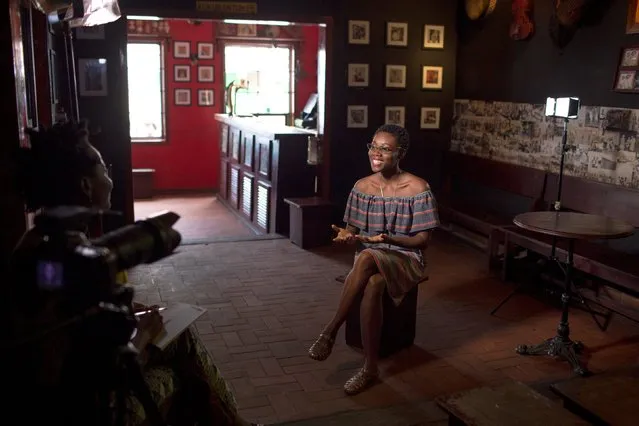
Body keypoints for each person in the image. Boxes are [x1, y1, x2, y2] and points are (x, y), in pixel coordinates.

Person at [7, 119, 258, 426]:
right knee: (184, 378)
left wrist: (125, 311)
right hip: (74, 409)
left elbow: (69, 316)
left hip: (71, 385)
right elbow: (84, 375)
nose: (111, 179)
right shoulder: (54, 260)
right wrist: (143, 334)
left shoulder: (46, 243)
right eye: (104, 170)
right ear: (85, 185)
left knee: (181, 341)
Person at [307, 124, 439, 395]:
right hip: (372, 257)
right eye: (373, 146)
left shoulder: (418, 188)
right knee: (374, 282)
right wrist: (347, 234)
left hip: (406, 257)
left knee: (367, 255)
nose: (376, 153)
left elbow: (423, 242)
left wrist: (388, 239)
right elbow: (354, 230)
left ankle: (330, 330)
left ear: (400, 153)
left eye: (385, 149)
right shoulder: (361, 186)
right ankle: (370, 368)